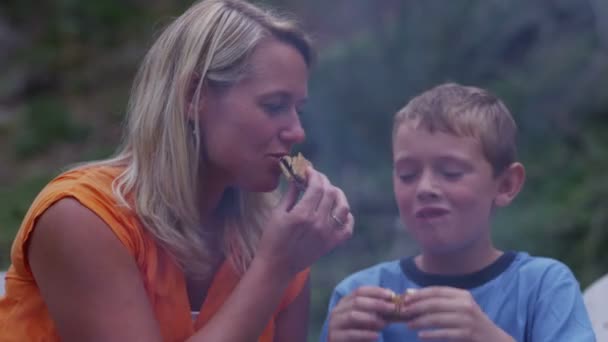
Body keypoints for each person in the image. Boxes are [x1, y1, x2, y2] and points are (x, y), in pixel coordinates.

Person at [0, 0, 354, 341]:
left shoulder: (276, 237)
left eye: (298, 111)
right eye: (274, 105)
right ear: (193, 96)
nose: (297, 131)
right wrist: (273, 269)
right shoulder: (83, 219)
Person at [320, 83, 596, 342]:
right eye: (407, 174)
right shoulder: (359, 299)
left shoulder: (543, 287)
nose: (424, 188)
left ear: (506, 185)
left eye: (451, 172)